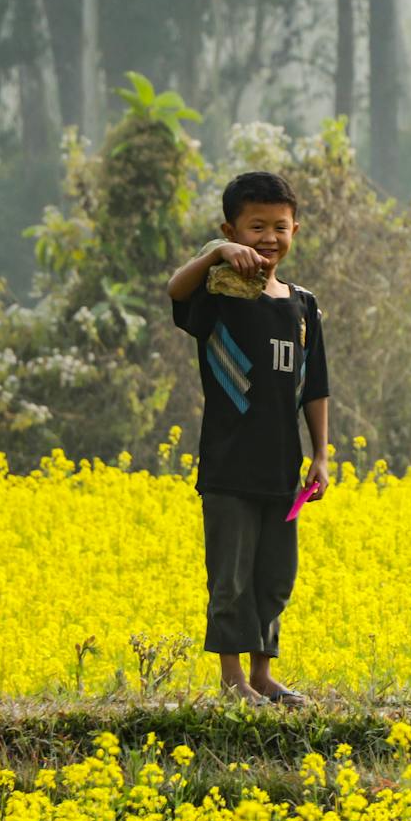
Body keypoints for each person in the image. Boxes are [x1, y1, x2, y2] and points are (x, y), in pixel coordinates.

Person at [166, 171, 329, 706]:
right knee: (230, 576)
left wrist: (321, 456)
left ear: (295, 230)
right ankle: (232, 679)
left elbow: (316, 388)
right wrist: (215, 253)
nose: (268, 238)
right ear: (230, 229)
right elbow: (175, 290)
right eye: (254, 227)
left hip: (284, 469)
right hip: (229, 467)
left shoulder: (303, 305)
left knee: (274, 575)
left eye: (279, 227)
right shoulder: (219, 293)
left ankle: (262, 676)